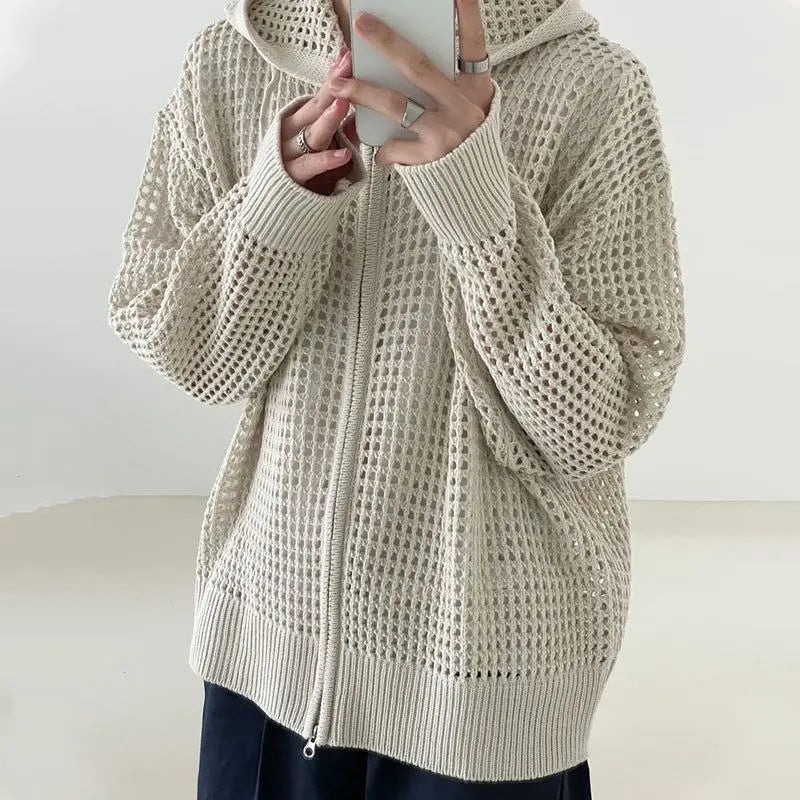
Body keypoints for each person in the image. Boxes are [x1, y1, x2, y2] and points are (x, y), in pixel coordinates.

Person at [107, 0, 686, 797]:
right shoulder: (227, 64)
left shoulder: (592, 87)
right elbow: (198, 361)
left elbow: (596, 424)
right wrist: (280, 200)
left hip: (486, 682)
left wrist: (478, 199)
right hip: (267, 654)